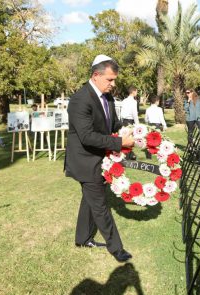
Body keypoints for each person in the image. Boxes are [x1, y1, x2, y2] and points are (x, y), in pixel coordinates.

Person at [65, 54, 135, 263]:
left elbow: (112, 126)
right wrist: (120, 143)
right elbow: (87, 136)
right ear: (96, 75)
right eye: (110, 79)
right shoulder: (80, 99)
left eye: (114, 80)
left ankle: (83, 238)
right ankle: (117, 249)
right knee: (100, 205)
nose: (113, 84)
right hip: (85, 162)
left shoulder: (108, 98)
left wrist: (130, 134)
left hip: (101, 159)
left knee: (89, 200)